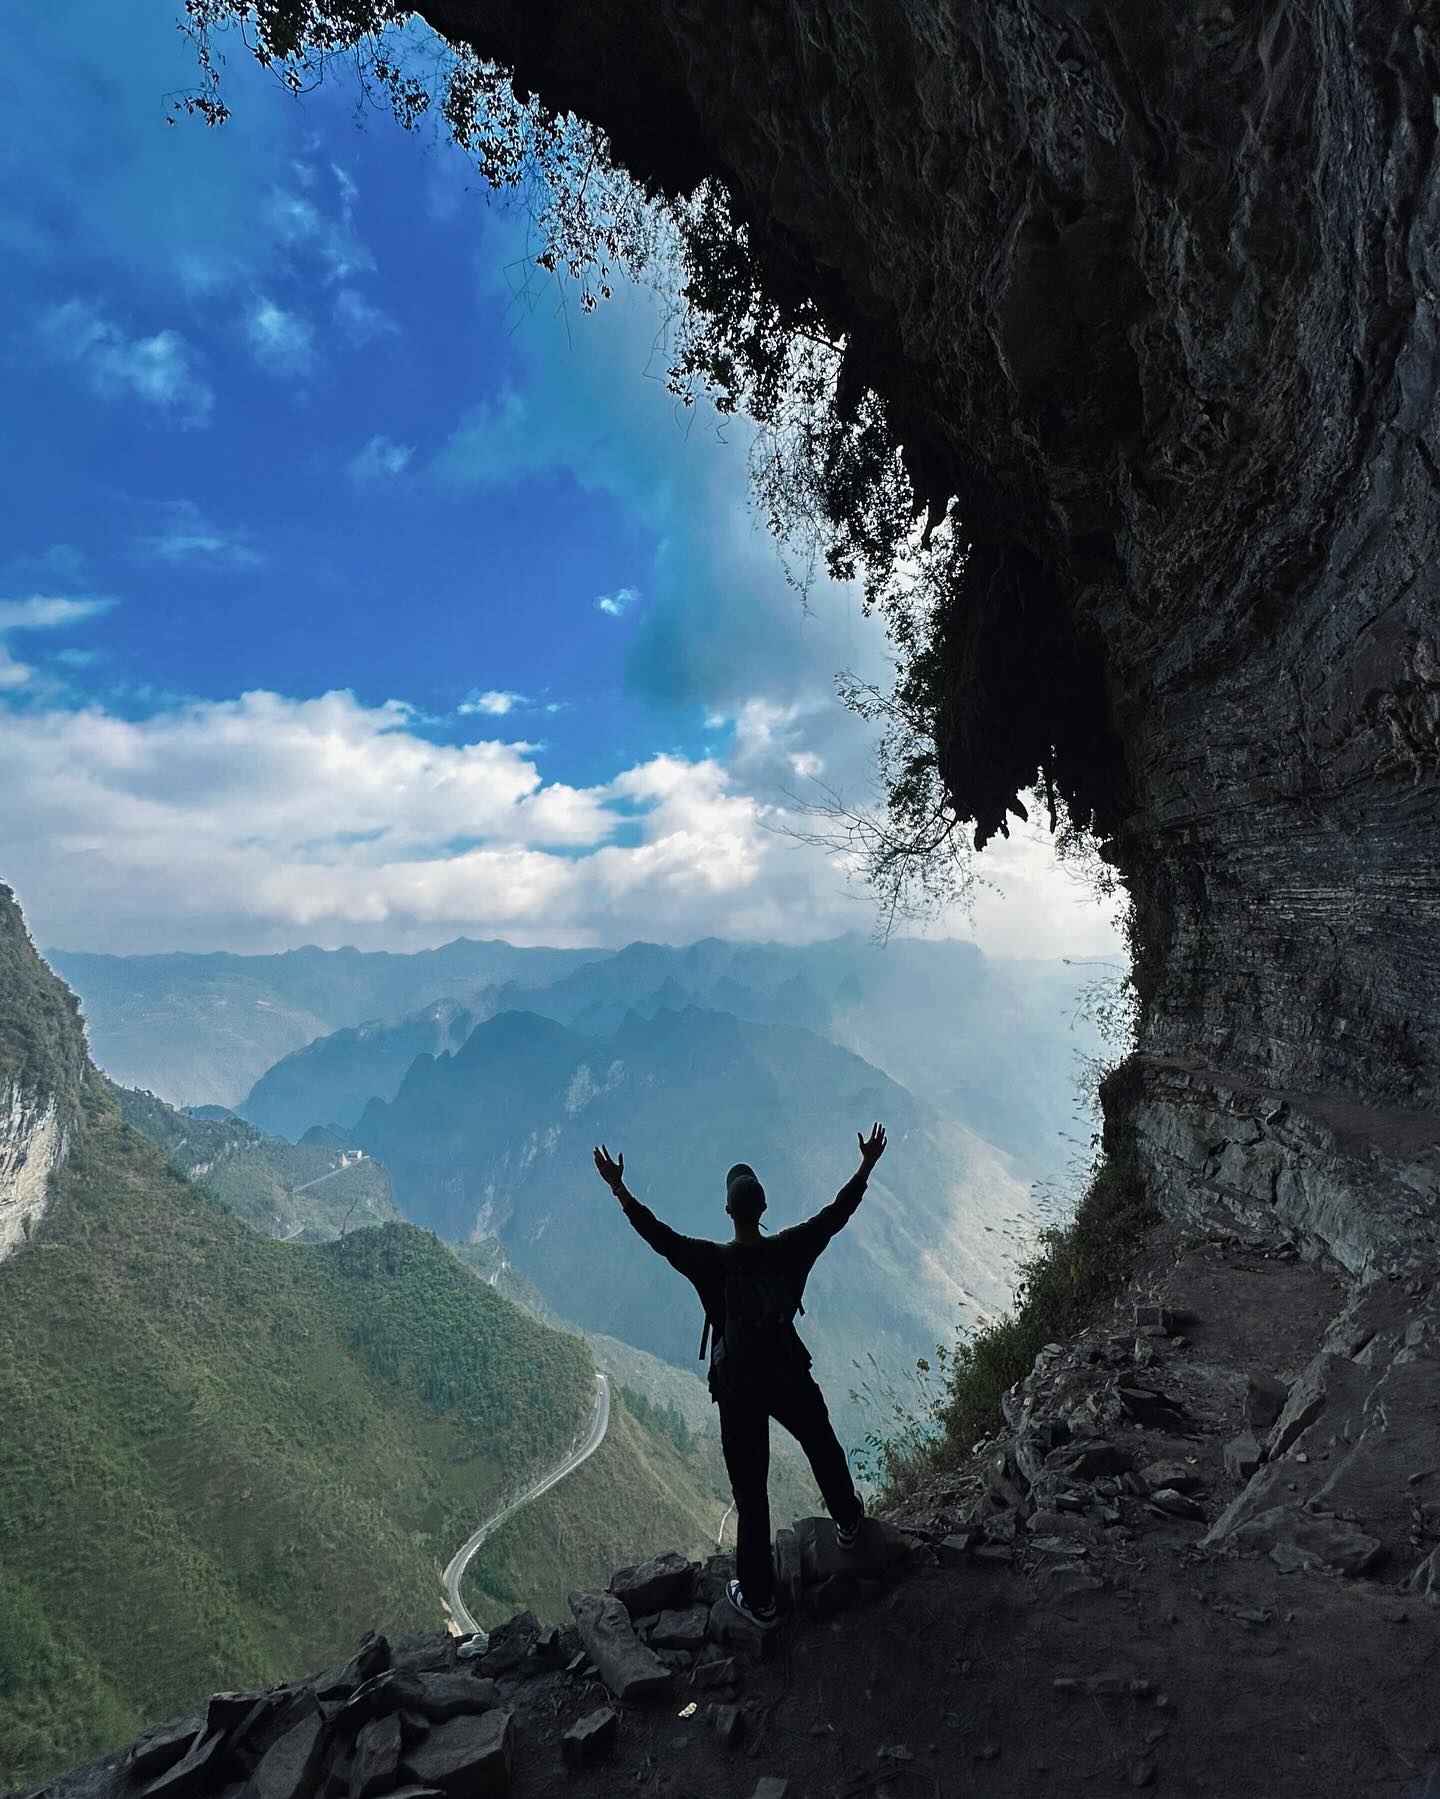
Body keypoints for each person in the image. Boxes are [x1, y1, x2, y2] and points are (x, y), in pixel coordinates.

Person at [592, 1122, 888, 1630]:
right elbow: (835, 1216)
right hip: (789, 1370)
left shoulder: (710, 1262)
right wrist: (865, 1165)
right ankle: (848, 1521)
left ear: (729, 1211)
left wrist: (619, 1187)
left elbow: (659, 1237)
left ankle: (760, 1600)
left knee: (752, 1493)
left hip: (739, 1387)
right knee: (820, 1442)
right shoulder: (792, 1248)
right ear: (764, 1208)